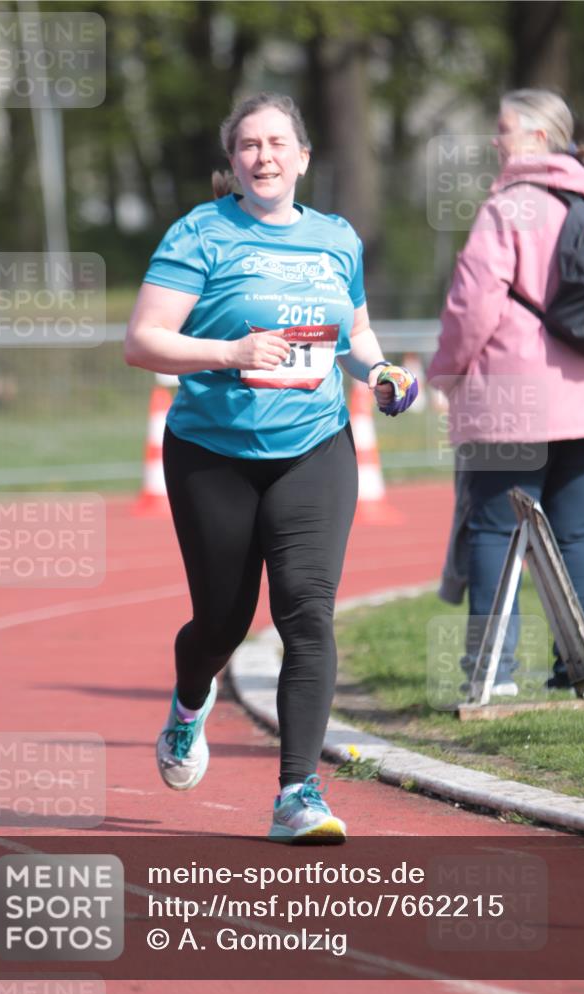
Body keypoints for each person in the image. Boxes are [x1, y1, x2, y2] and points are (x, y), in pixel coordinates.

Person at [124, 92, 417, 843]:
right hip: (213, 453)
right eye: (250, 145)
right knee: (222, 620)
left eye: (278, 143)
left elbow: (353, 332)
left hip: (315, 447)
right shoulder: (201, 233)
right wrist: (230, 352)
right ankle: (191, 700)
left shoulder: (335, 238)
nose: (264, 156)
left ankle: (297, 794)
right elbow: (144, 340)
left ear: (303, 157)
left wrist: (381, 372)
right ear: (233, 161)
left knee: (306, 612)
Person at [427, 88, 584, 694]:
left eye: (504, 127)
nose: (495, 139)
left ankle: (495, 673)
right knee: (578, 533)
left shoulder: (507, 209)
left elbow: (472, 307)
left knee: (495, 530)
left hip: (512, 402)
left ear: (538, 138)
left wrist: (445, 372)